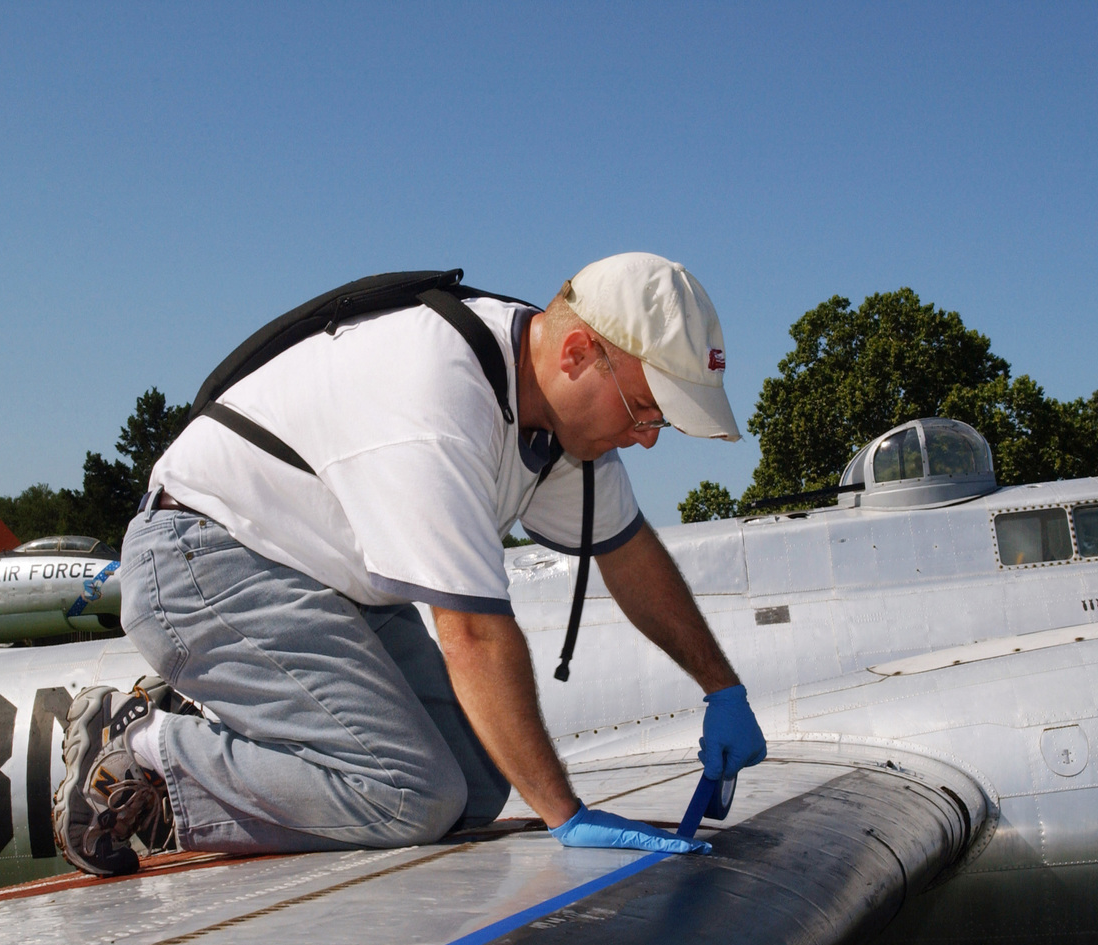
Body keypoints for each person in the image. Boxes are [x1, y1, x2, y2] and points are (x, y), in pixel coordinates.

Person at [53, 252, 766, 876]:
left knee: (479, 778)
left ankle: (220, 727)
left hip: (318, 577)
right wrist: (566, 815)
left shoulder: (558, 413)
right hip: (203, 555)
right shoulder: (442, 397)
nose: (646, 440)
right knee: (412, 794)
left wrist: (721, 688)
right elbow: (472, 635)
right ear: (577, 352)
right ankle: (145, 753)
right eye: (644, 410)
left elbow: (630, 553)